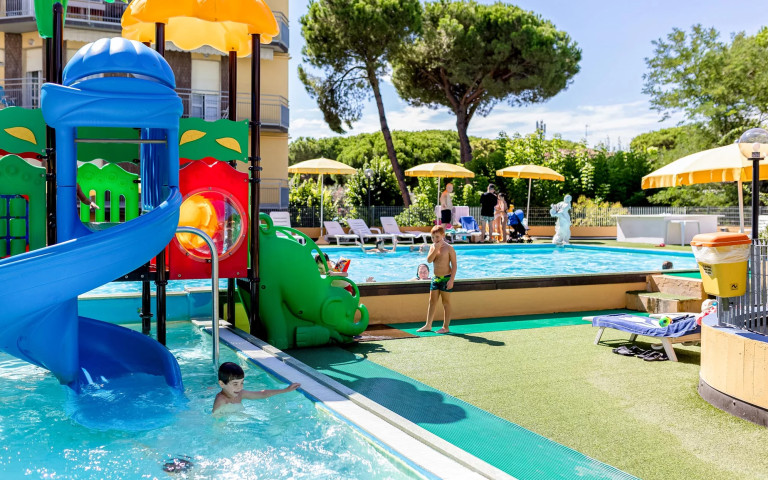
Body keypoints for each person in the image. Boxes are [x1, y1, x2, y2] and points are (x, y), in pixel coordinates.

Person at [213, 362, 300, 415]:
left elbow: (262, 394)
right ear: (222, 384)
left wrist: (286, 390)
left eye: (242, 382)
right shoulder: (221, 400)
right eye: (235, 384)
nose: (240, 387)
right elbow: (216, 419)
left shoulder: (240, 393)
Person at [417, 225, 457, 334]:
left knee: (446, 302)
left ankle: (445, 327)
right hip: (435, 279)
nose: (435, 239)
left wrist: (451, 280)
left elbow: (454, 265)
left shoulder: (449, 248)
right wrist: (436, 248)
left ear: (443, 235)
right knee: (432, 302)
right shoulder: (433, 246)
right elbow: (429, 260)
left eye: (437, 237)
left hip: (446, 279)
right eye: (433, 237)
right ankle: (428, 325)